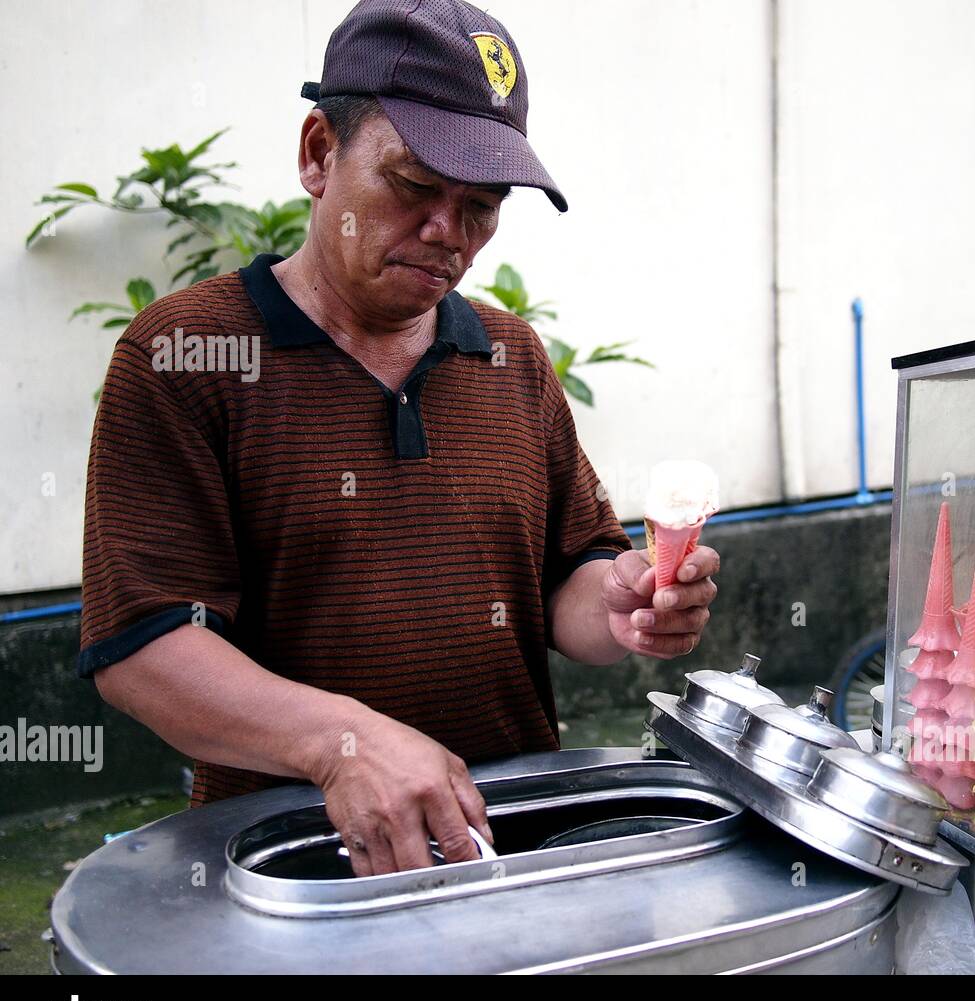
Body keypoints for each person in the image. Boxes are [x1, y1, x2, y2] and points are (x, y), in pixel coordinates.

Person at [78, 0, 718, 876]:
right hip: (290, 869)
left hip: (506, 845)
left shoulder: (512, 356)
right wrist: (342, 743)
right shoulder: (187, 356)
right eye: (414, 186)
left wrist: (621, 601)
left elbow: (568, 583)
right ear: (317, 154)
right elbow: (143, 649)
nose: (448, 234)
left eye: (482, 207)